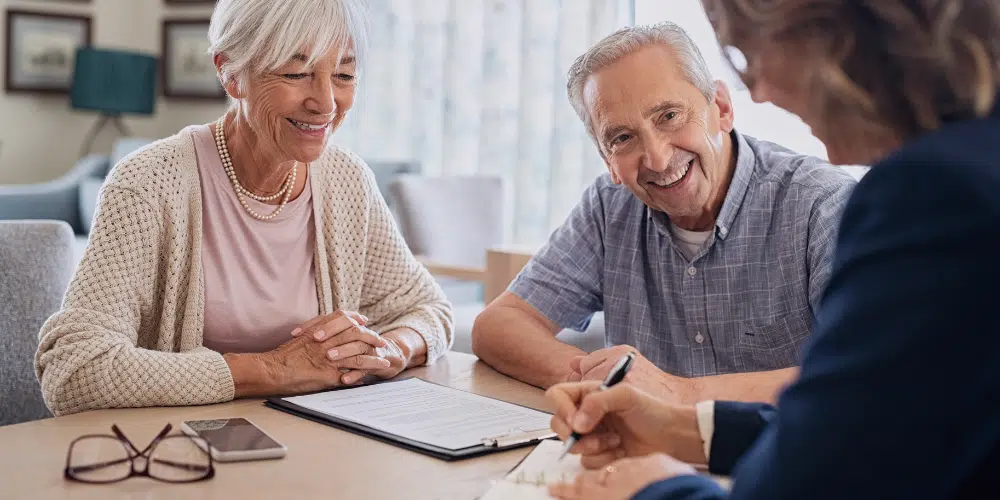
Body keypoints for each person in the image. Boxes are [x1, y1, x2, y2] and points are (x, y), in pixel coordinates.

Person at [546, 0, 1000, 499]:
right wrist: (682, 429)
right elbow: (870, 424)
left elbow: (817, 477)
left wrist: (654, 491)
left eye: (747, 52)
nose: (756, 88)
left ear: (835, 34)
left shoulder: (934, 195)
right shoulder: (972, 166)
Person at [34, 0, 453, 417]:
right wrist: (273, 370)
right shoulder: (148, 183)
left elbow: (429, 310)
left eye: (344, 74)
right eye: (296, 73)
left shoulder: (346, 180)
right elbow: (74, 369)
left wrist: (391, 350)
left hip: (318, 447)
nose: (326, 103)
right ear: (231, 73)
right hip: (181, 453)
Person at [472, 22, 855, 404]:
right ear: (608, 160)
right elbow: (497, 326)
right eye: (622, 138)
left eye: (669, 116)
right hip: (642, 459)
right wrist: (605, 381)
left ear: (720, 109)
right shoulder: (610, 207)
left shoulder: (822, 204)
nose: (657, 158)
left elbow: (867, 372)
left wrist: (674, 392)